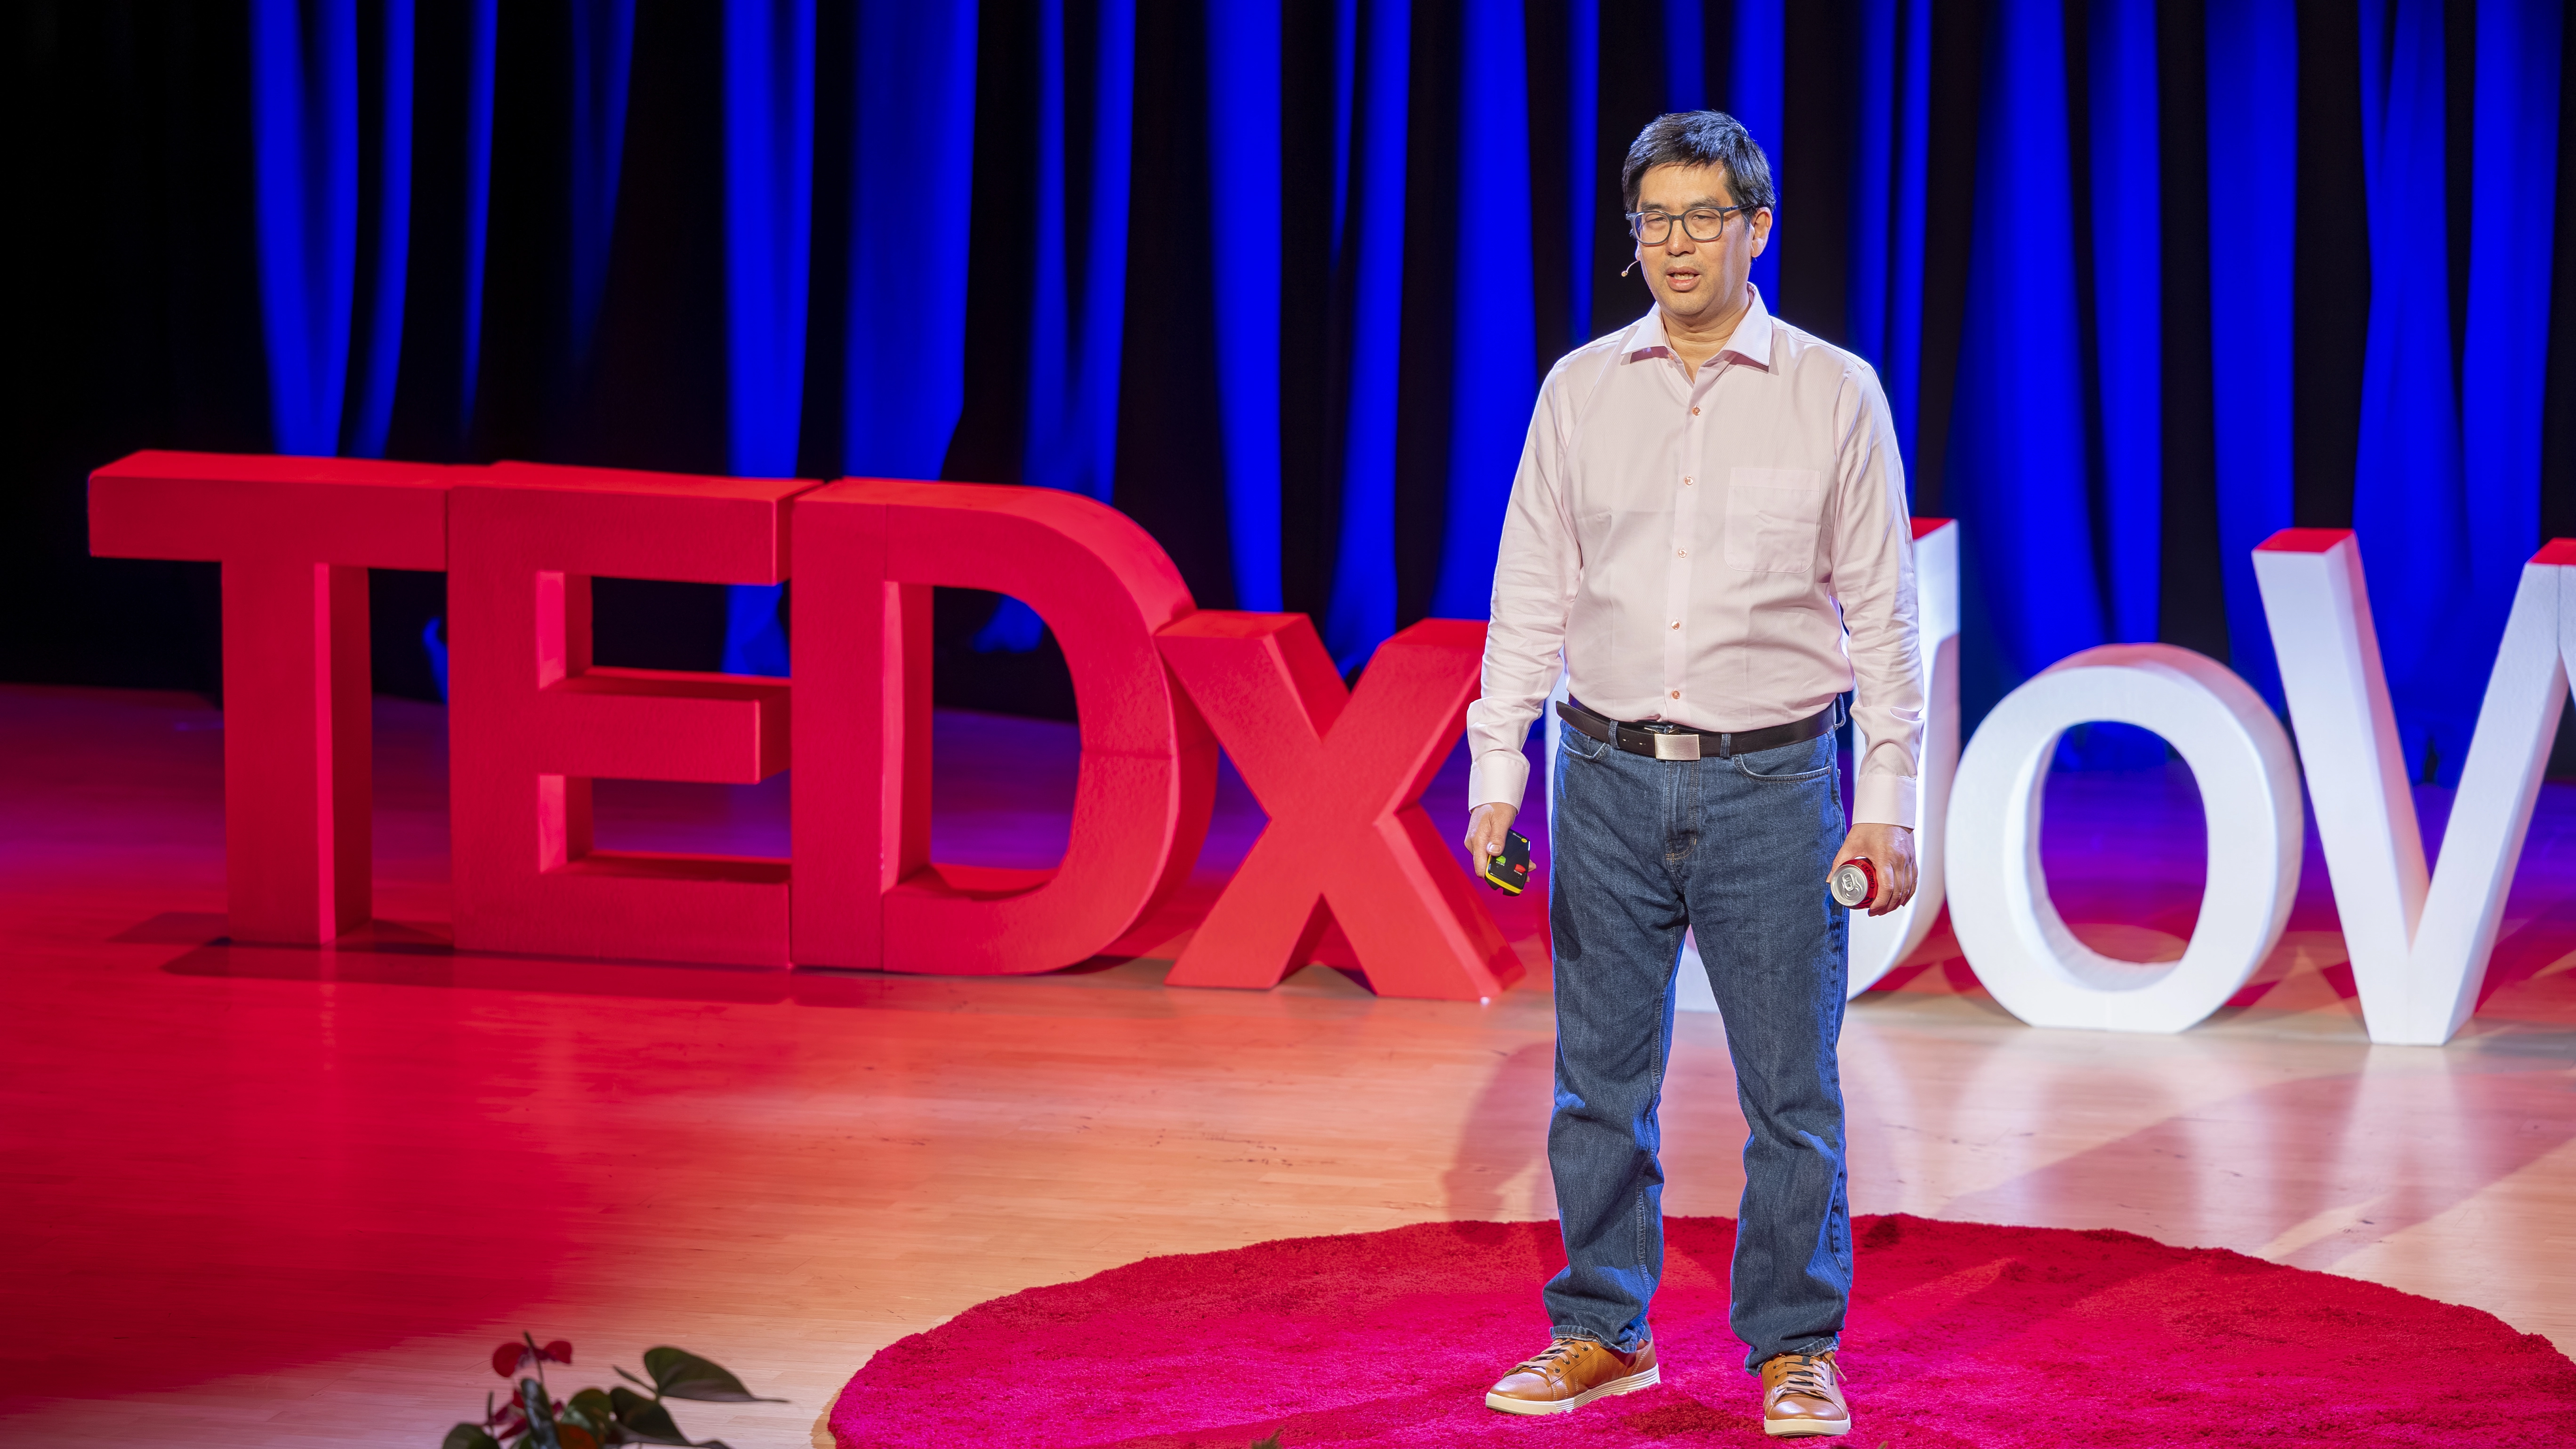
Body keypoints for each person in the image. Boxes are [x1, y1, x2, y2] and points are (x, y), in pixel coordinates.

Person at [1461, 111, 1924, 1440]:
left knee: (1792, 1090)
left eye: (1702, 218)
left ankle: (1794, 1349)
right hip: (1603, 776)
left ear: (1755, 228)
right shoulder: (1580, 389)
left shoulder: (1833, 391)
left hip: (1773, 785)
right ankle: (1603, 1331)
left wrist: (1886, 807)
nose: (1675, 244)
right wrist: (1498, 774)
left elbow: (1885, 618)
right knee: (1597, 1081)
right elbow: (1528, 591)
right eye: (1653, 219)